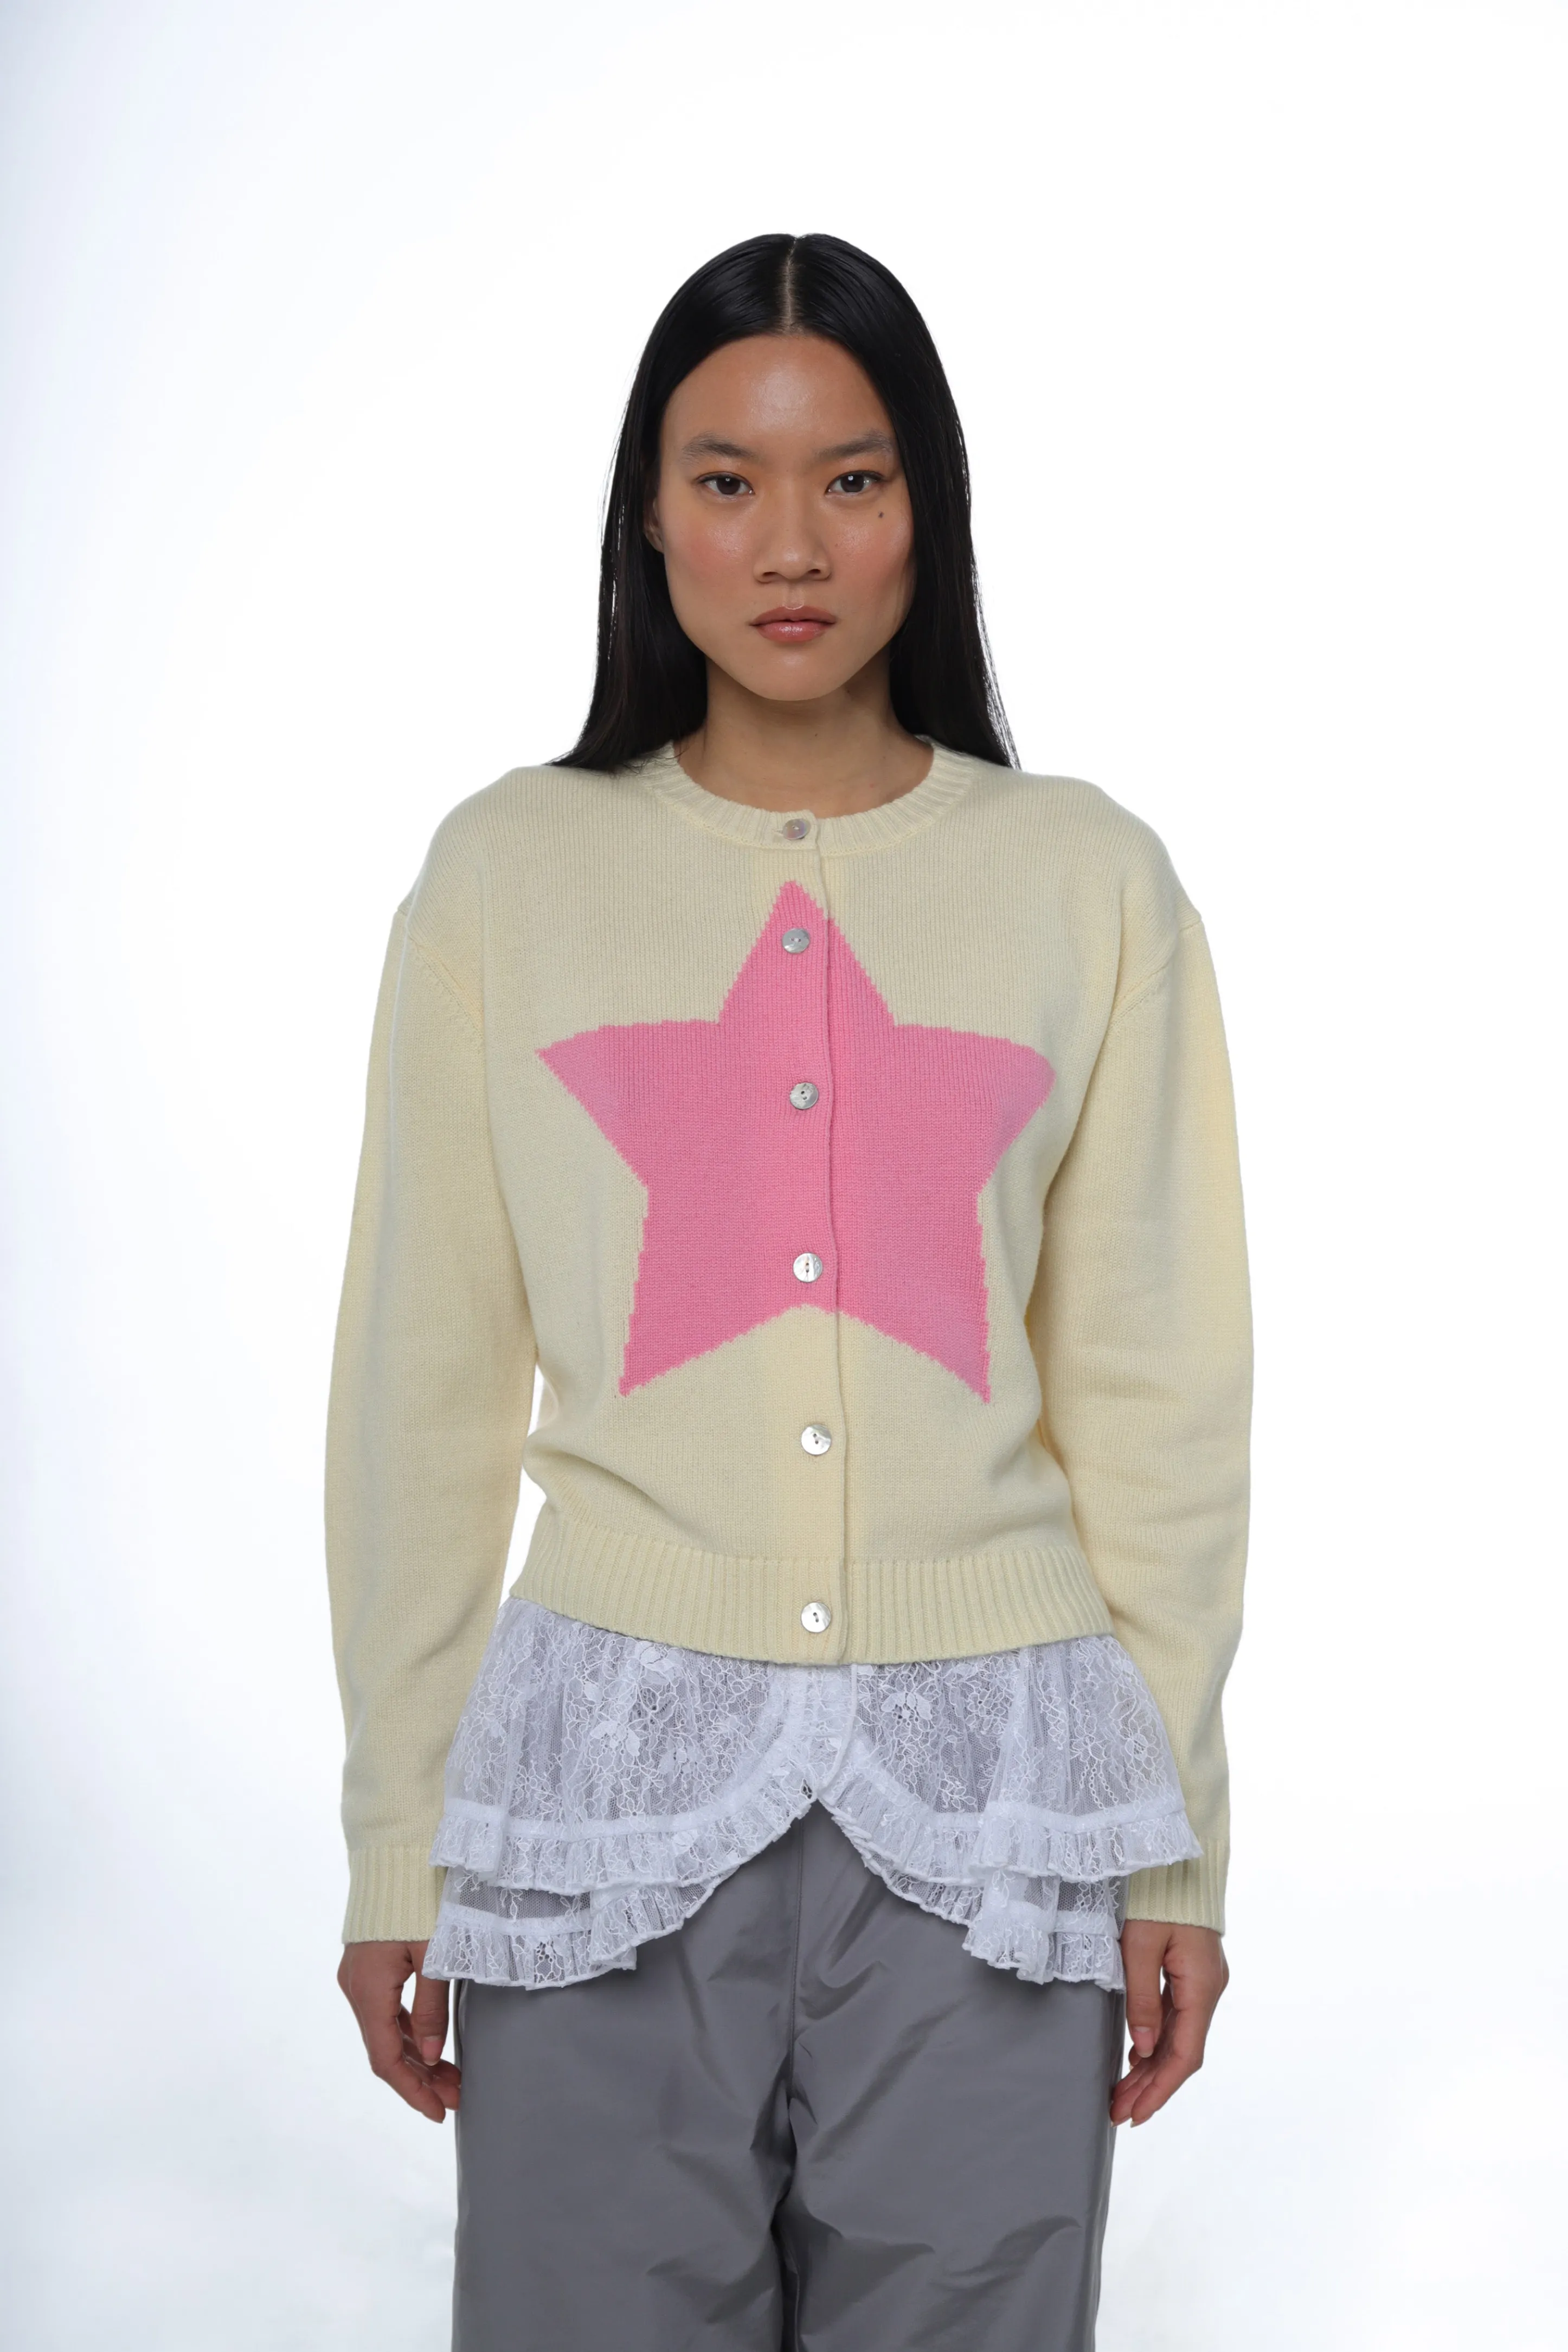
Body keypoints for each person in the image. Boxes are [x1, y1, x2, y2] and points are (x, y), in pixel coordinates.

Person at [327, 231, 1251, 2352]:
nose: (793, 545)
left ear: (929, 502)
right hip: (597, 1805)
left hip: (999, 1796)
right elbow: (420, 1392)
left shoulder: (1087, 880)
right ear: (648, 518)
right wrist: (399, 1838)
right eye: (726, 480)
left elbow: (1155, 1396)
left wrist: (1174, 1843)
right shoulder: (509, 876)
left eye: (853, 476)